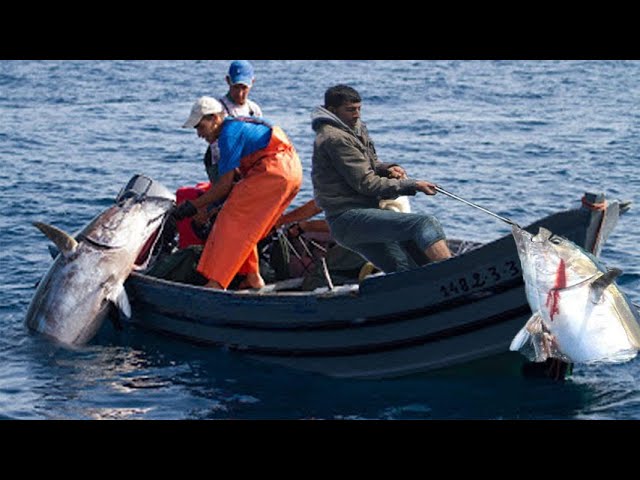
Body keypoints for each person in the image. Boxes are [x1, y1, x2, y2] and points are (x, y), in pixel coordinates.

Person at [310, 84, 452, 274]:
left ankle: (424, 296)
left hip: (362, 215)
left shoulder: (354, 128)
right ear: (332, 110)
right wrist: (413, 185)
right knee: (424, 224)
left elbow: (369, 164)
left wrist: (387, 169)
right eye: (350, 110)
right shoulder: (335, 138)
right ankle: (453, 274)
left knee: (403, 268)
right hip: (348, 218)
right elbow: (367, 183)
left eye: (359, 109)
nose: (357, 114)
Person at [173, 96, 302, 290]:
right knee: (250, 227)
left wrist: (191, 206)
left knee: (231, 220)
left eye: (200, 126)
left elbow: (224, 186)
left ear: (215, 118)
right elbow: (233, 181)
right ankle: (253, 277)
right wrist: (207, 208)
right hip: (292, 171)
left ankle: (216, 282)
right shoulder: (237, 127)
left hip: (274, 171)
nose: (199, 134)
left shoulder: (228, 135)